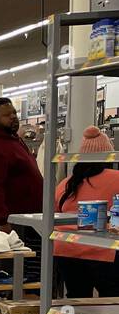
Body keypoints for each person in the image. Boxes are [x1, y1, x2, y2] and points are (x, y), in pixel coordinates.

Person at [52, 125, 119, 297]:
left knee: (77, 300)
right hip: (103, 250)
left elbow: (55, 213)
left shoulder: (66, 184)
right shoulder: (116, 178)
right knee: (111, 300)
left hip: (67, 249)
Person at [0, 97, 44, 232]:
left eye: (14, 113)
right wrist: (1, 220)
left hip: (24, 218)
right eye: (6, 115)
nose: (13, 117)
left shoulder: (14, 141)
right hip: (7, 223)